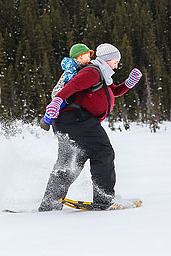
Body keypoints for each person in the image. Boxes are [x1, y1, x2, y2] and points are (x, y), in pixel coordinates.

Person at [38, 43, 142, 211]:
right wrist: (57, 101)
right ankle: (104, 200)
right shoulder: (92, 71)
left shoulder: (100, 74)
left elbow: (112, 91)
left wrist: (128, 84)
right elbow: (72, 86)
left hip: (71, 121)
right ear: (107, 60)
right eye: (115, 61)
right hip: (76, 119)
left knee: (72, 161)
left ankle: (50, 203)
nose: (116, 65)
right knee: (103, 152)